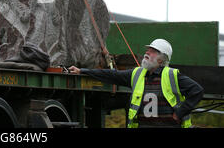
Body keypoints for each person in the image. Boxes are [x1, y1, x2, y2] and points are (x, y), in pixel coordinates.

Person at [69, 38, 204, 128]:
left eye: (153, 51)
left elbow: (197, 91)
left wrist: (179, 113)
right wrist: (82, 71)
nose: (147, 52)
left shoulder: (171, 75)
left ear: (161, 60)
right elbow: (111, 74)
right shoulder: (137, 74)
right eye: (148, 49)